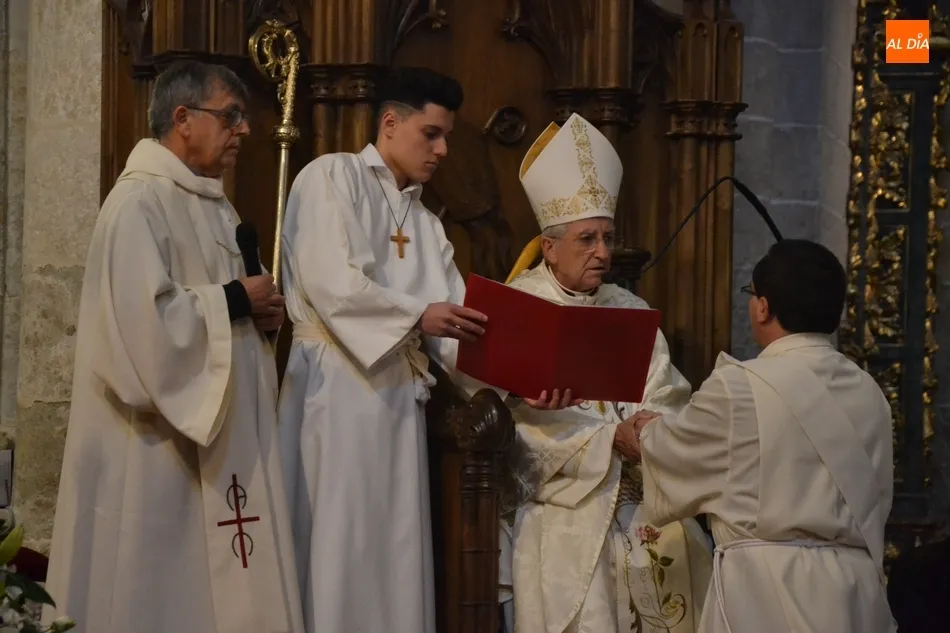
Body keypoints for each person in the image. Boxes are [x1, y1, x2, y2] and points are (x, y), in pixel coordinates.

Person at [277, 67, 574, 633]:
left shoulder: (423, 220)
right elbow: (331, 282)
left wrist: (520, 383)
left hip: (396, 408)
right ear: (390, 123)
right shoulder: (330, 178)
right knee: (338, 548)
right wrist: (416, 314)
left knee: (392, 550)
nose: (441, 151)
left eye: (447, 138)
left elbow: (456, 325)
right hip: (333, 396)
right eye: (431, 134)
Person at [41, 61, 303, 633]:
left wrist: (260, 315)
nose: (244, 130)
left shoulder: (214, 204)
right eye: (231, 116)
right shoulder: (138, 204)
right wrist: (235, 300)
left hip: (223, 444)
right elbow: (143, 327)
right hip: (156, 447)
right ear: (182, 119)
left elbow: (217, 307)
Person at [498, 113, 713, 633]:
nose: (603, 252)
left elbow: (668, 393)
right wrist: (605, 441)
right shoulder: (518, 309)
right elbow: (509, 419)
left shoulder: (630, 310)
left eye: (608, 238)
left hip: (640, 497)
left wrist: (645, 427)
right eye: (587, 239)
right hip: (564, 503)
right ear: (549, 247)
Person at [623, 239, 897, 633]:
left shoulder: (742, 386)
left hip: (769, 591)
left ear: (763, 306)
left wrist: (641, 432)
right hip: (854, 593)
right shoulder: (870, 391)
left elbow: (672, 452)